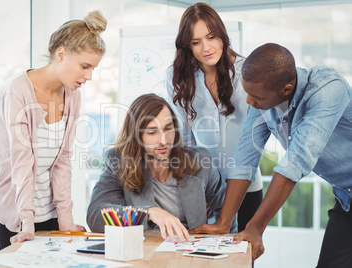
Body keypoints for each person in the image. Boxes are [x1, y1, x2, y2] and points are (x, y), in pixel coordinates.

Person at [199, 43, 352, 267]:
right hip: (346, 199)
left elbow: (294, 162)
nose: (249, 102)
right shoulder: (264, 102)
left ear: (286, 90)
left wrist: (256, 228)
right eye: (248, 94)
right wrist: (224, 222)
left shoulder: (328, 89)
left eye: (256, 97)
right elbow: (245, 158)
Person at [0, 11, 106, 250]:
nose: (89, 76)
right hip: (16, 215)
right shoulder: (17, 90)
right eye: (85, 66)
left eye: (93, 68)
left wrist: (66, 221)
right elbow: (20, 161)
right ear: (61, 54)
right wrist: (27, 224)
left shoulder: (72, 94)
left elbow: (62, 161)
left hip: (50, 211)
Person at [165, 2, 263, 232]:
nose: (206, 48)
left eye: (211, 37)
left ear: (222, 35)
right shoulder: (177, 77)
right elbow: (185, 140)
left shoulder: (247, 71)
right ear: (187, 46)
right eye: (196, 42)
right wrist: (198, 186)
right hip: (205, 189)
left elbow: (256, 138)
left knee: (243, 260)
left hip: (247, 186)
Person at [86, 93, 237, 243]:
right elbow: (95, 216)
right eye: (152, 132)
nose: (163, 141)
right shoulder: (117, 161)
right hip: (144, 254)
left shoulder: (199, 160)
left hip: (190, 254)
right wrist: (148, 213)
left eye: (168, 129)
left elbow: (227, 211)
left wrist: (226, 247)